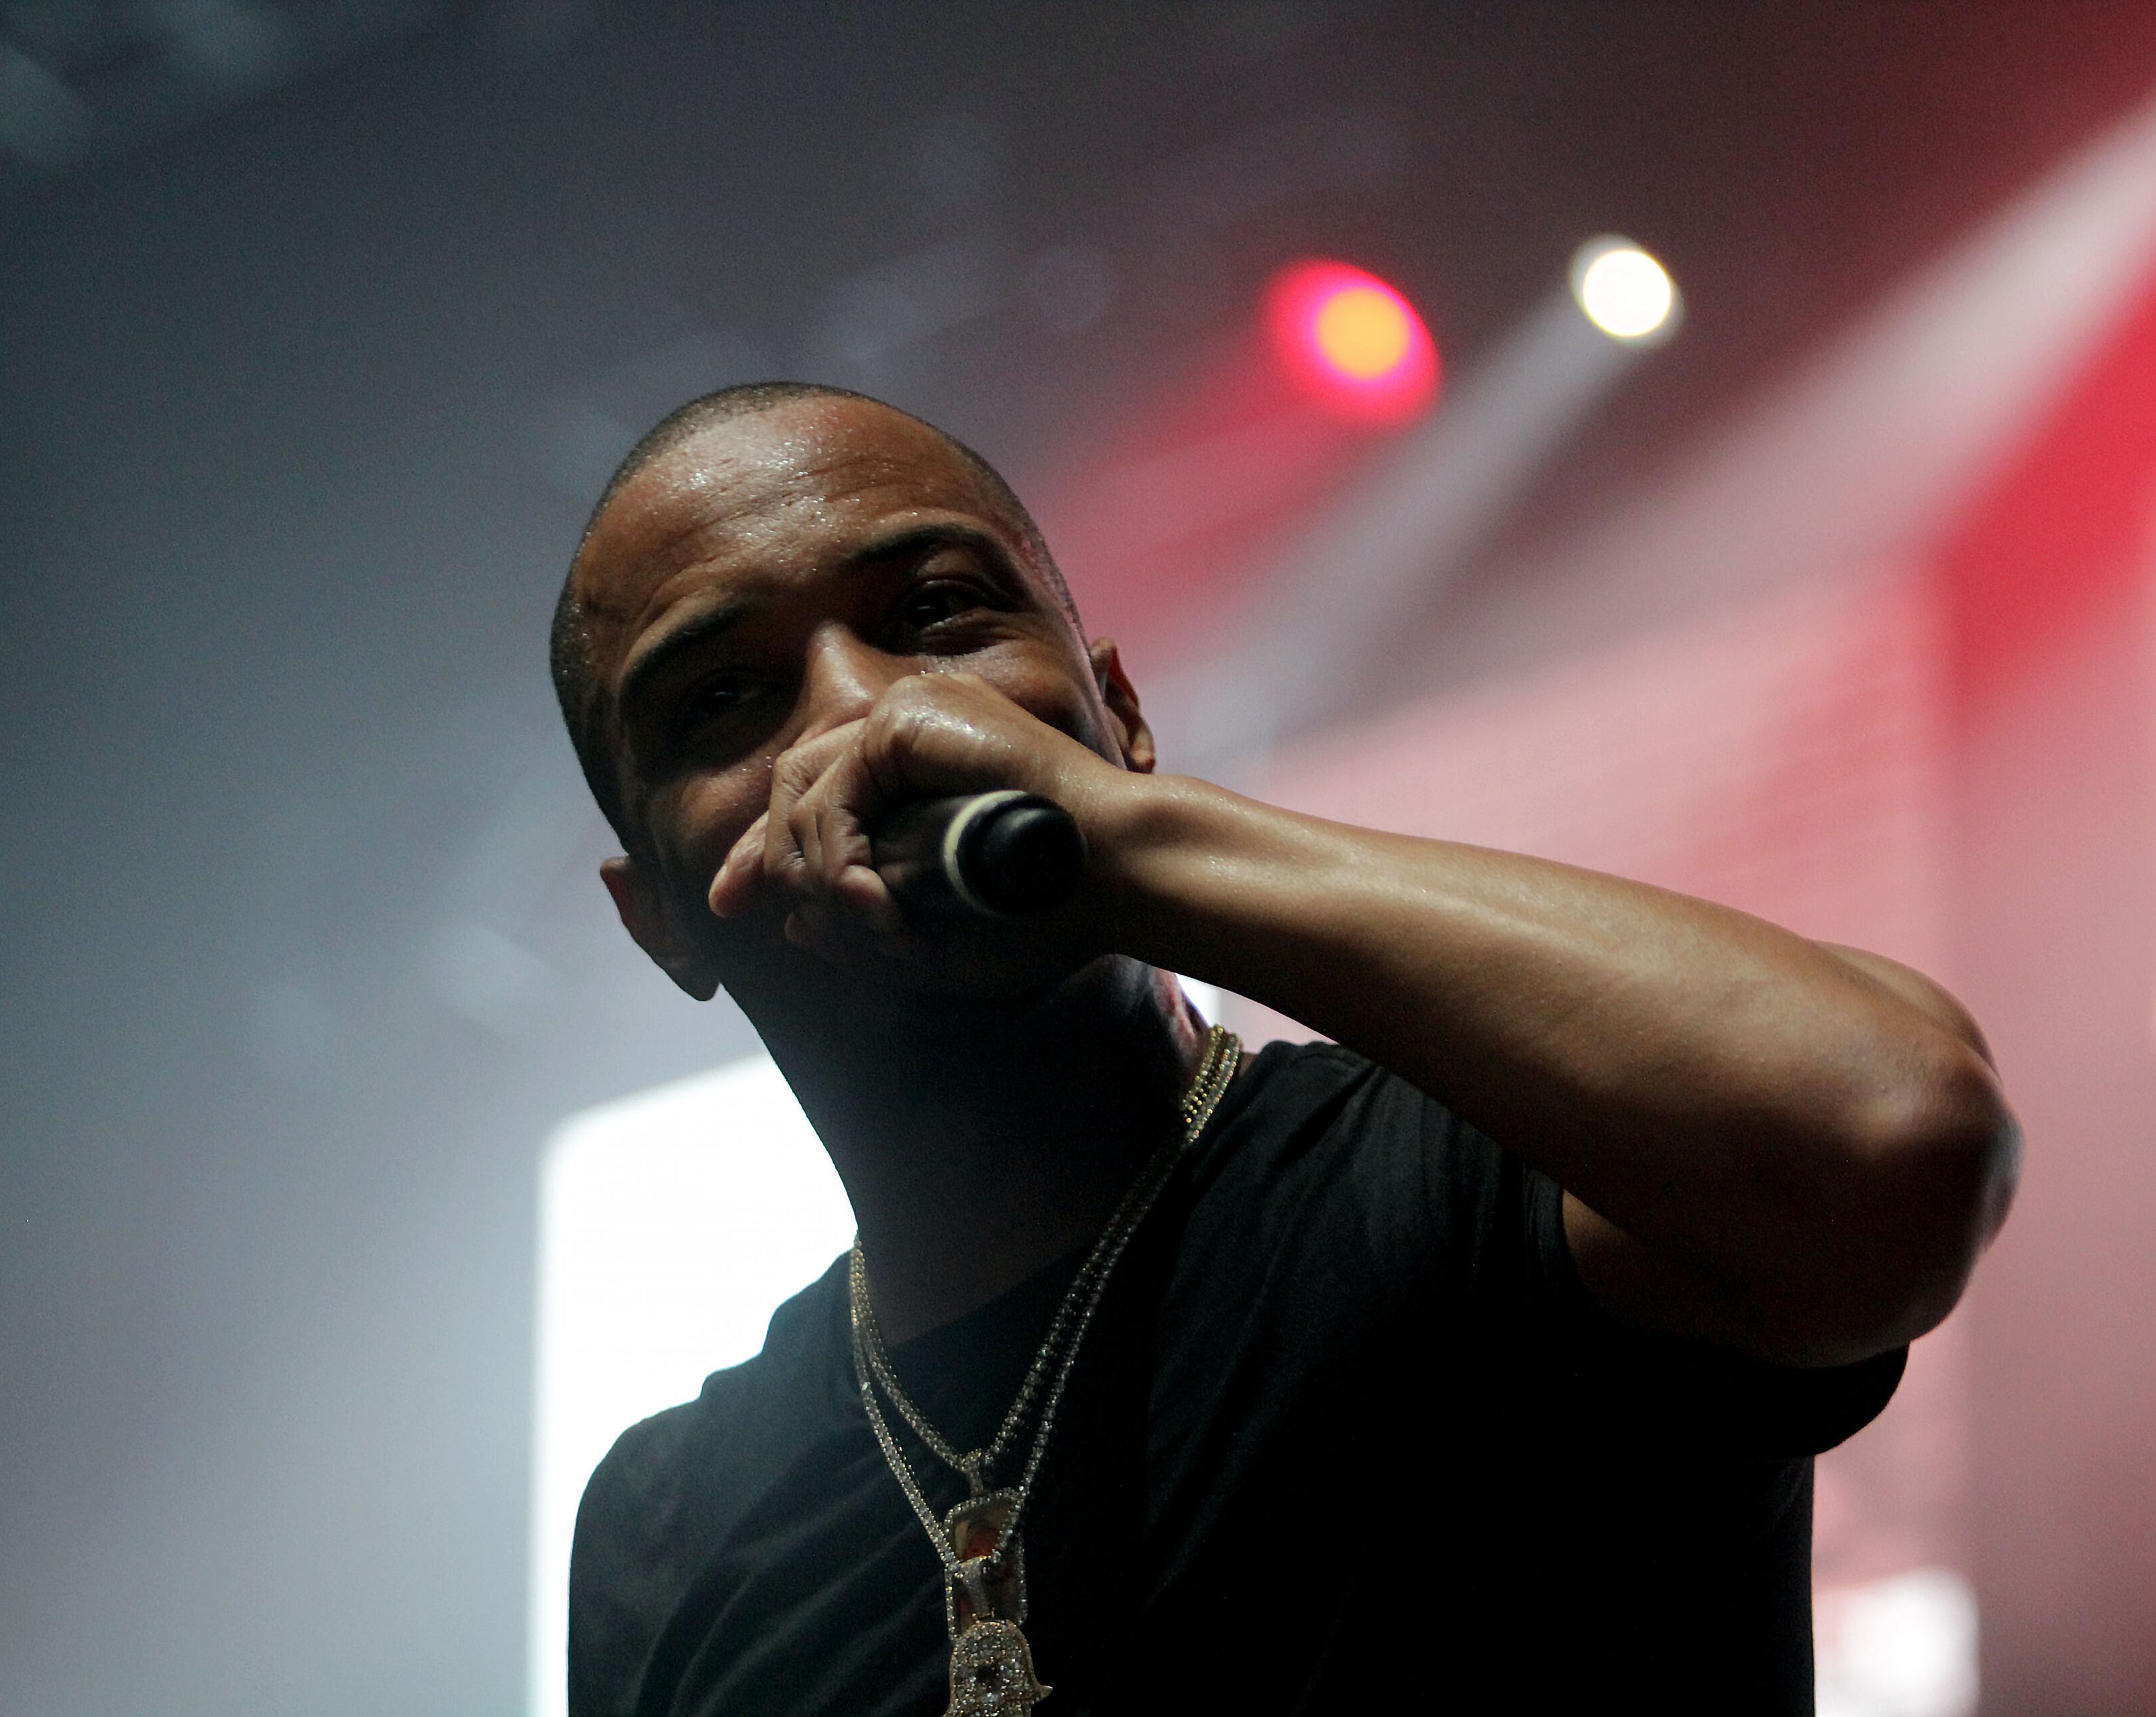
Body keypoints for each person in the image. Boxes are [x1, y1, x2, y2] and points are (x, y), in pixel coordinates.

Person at [551, 381, 2018, 1716]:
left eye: (937, 613)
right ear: (660, 922)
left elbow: (1895, 1133)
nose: (868, 710)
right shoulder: (667, 1523)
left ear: (1117, 713)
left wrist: (1120, 840)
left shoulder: (1480, 1174)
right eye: (724, 697)